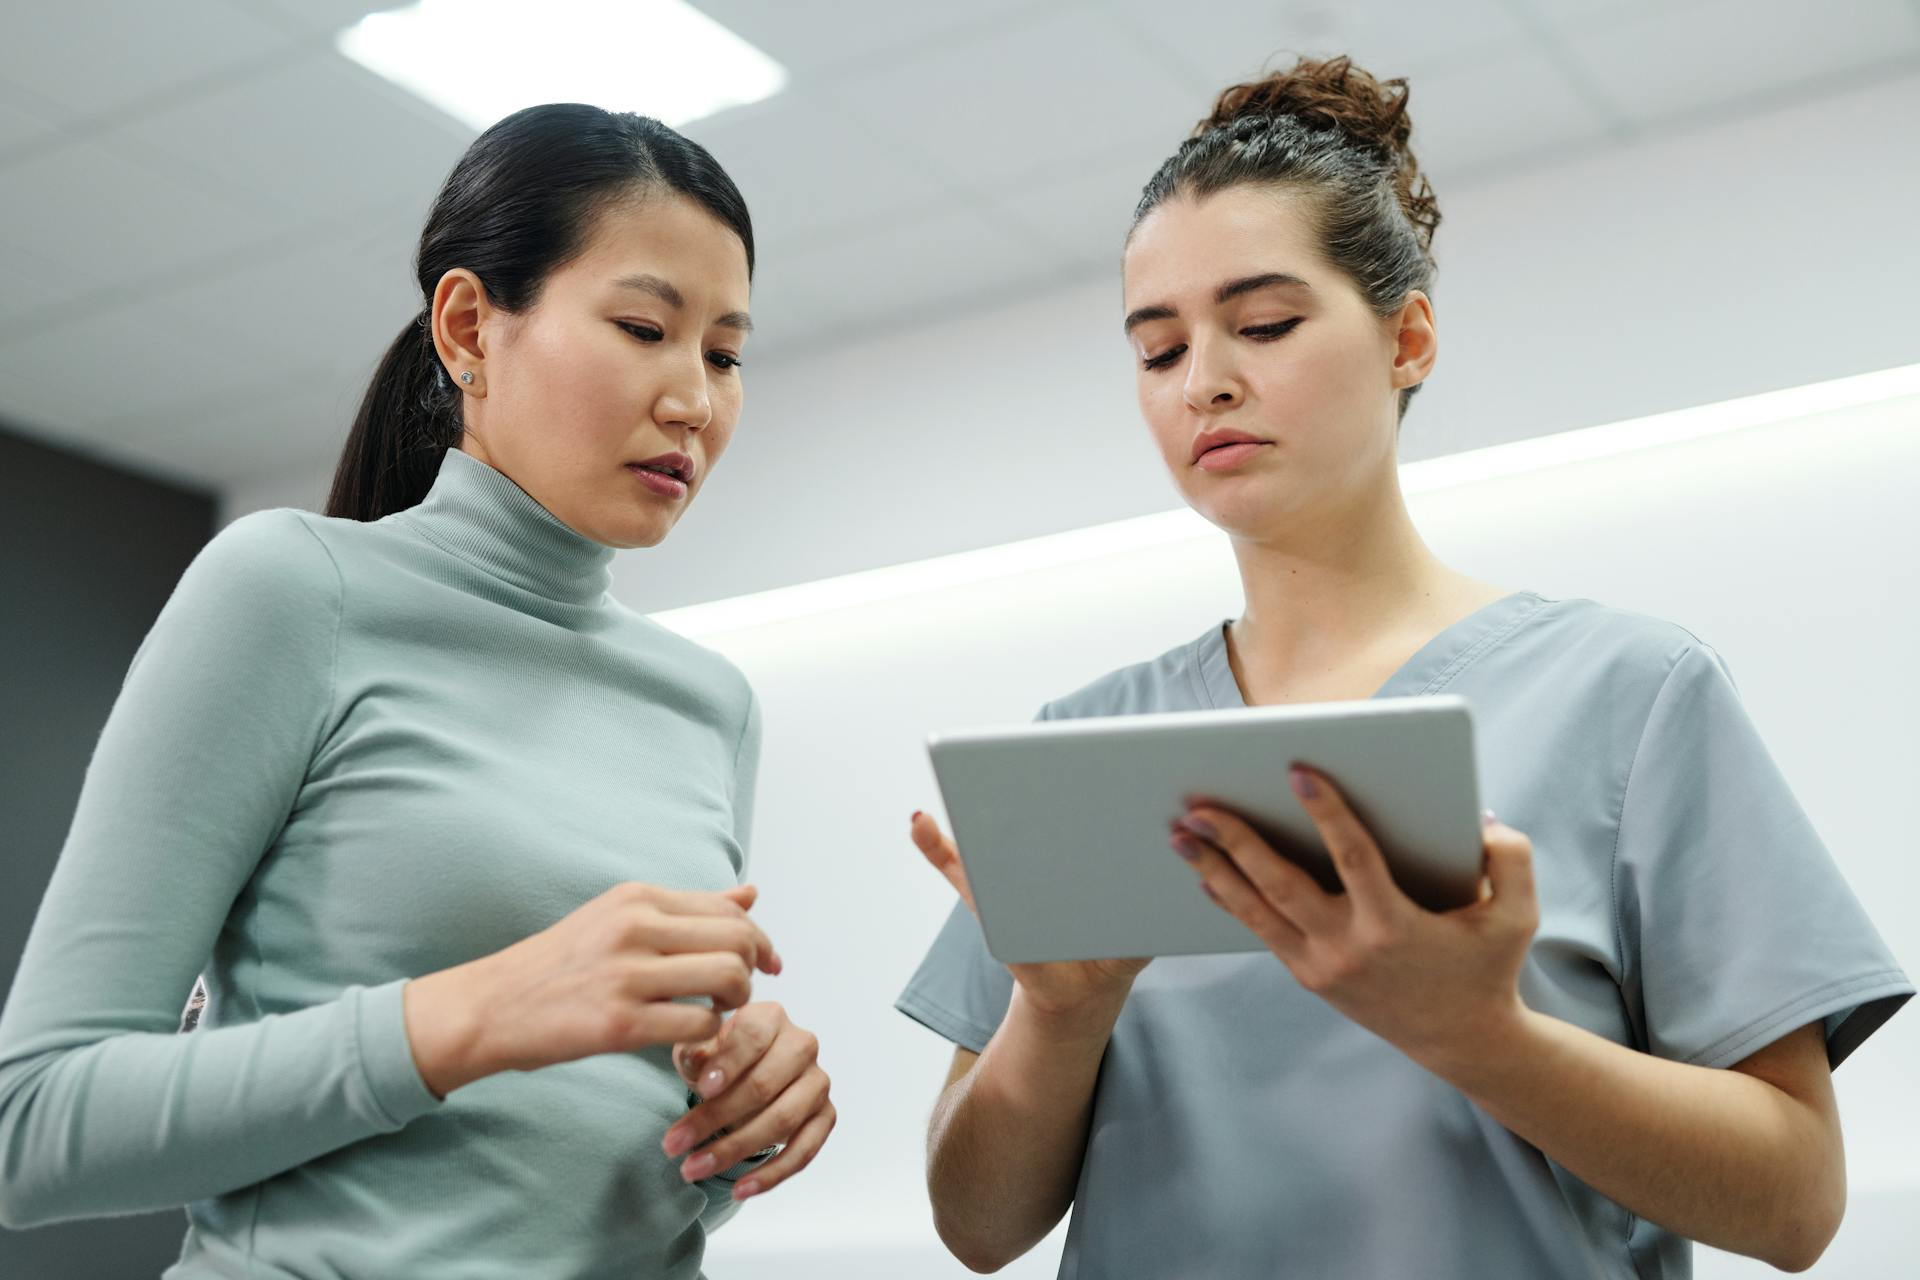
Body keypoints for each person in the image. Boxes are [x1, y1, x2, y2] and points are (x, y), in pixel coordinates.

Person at [898, 56, 1910, 1278]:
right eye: (1158, 350)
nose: (1205, 379)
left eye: (1263, 324)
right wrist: (1058, 1016)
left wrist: (1482, 1034)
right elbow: (977, 1224)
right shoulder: (1082, 744)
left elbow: (1796, 1203)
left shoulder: (1630, 694)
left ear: (1408, 336)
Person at [0, 104, 833, 1279]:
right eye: (646, 326)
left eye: (727, 351)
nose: (695, 398)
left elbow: (554, 1169)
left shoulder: (712, 702)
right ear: (468, 328)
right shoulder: (293, 590)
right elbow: (35, 1124)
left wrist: (735, 1129)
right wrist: (473, 1015)